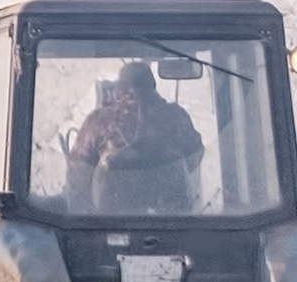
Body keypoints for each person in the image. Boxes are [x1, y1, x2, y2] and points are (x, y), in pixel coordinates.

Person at [65, 61, 204, 214]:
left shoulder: (99, 121)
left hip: (111, 223)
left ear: (120, 87)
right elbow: (194, 156)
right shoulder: (176, 117)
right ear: (153, 84)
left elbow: (78, 173)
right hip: (171, 222)